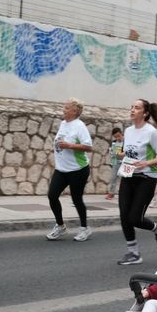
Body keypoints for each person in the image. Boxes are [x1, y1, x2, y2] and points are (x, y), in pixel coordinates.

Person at [116, 99, 157, 265]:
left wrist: (147, 163)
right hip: (128, 176)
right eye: (131, 107)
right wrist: (121, 154)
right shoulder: (128, 131)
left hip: (146, 178)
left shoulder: (151, 132)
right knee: (124, 216)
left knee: (135, 218)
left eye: (137, 107)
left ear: (145, 113)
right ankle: (134, 253)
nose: (132, 110)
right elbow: (129, 152)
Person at [46, 98, 94, 242]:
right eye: (64, 107)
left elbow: (89, 147)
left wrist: (69, 146)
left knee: (76, 199)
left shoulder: (79, 126)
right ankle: (60, 226)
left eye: (66, 108)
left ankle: (85, 228)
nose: (63, 110)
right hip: (61, 169)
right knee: (52, 195)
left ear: (74, 111)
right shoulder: (63, 124)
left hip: (78, 169)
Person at [105, 127, 124, 200]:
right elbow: (113, 153)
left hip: (124, 163)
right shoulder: (114, 142)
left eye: (118, 136)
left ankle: (123, 194)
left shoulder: (126, 142)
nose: (117, 138)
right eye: (115, 136)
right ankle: (111, 193)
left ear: (121, 133)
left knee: (123, 179)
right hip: (115, 162)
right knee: (113, 178)